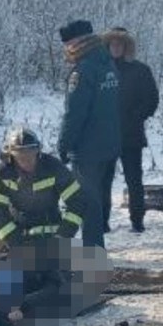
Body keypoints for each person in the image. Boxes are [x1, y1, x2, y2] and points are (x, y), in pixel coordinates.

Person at [56, 20, 121, 248]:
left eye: (67, 44)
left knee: (87, 204)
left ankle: (93, 254)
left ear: (76, 42)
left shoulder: (83, 71)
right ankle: (97, 247)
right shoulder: (108, 63)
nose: (66, 49)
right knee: (100, 199)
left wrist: (64, 144)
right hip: (110, 143)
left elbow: (75, 113)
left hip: (87, 149)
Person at [0, 124, 87, 257]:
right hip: (16, 231)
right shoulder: (4, 173)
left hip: (50, 230)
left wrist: (63, 235)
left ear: (38, 151)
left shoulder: (53, 167)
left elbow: (77, 202)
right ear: (11, 155)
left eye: (30, 154)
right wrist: (14, 241)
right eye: (21, 155)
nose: (27, 160)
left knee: (54, 273)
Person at [102, 27, 159, 232]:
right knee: (104, 180)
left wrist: (136, 115)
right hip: (106, 134)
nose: (116, 48)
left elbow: (151, 100)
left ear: (127, 47)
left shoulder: (140, 70)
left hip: (131, 134)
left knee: (134, 179)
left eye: (120, 44)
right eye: (112, 44)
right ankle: (102, 221)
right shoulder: (100, 69)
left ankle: (137, 219)